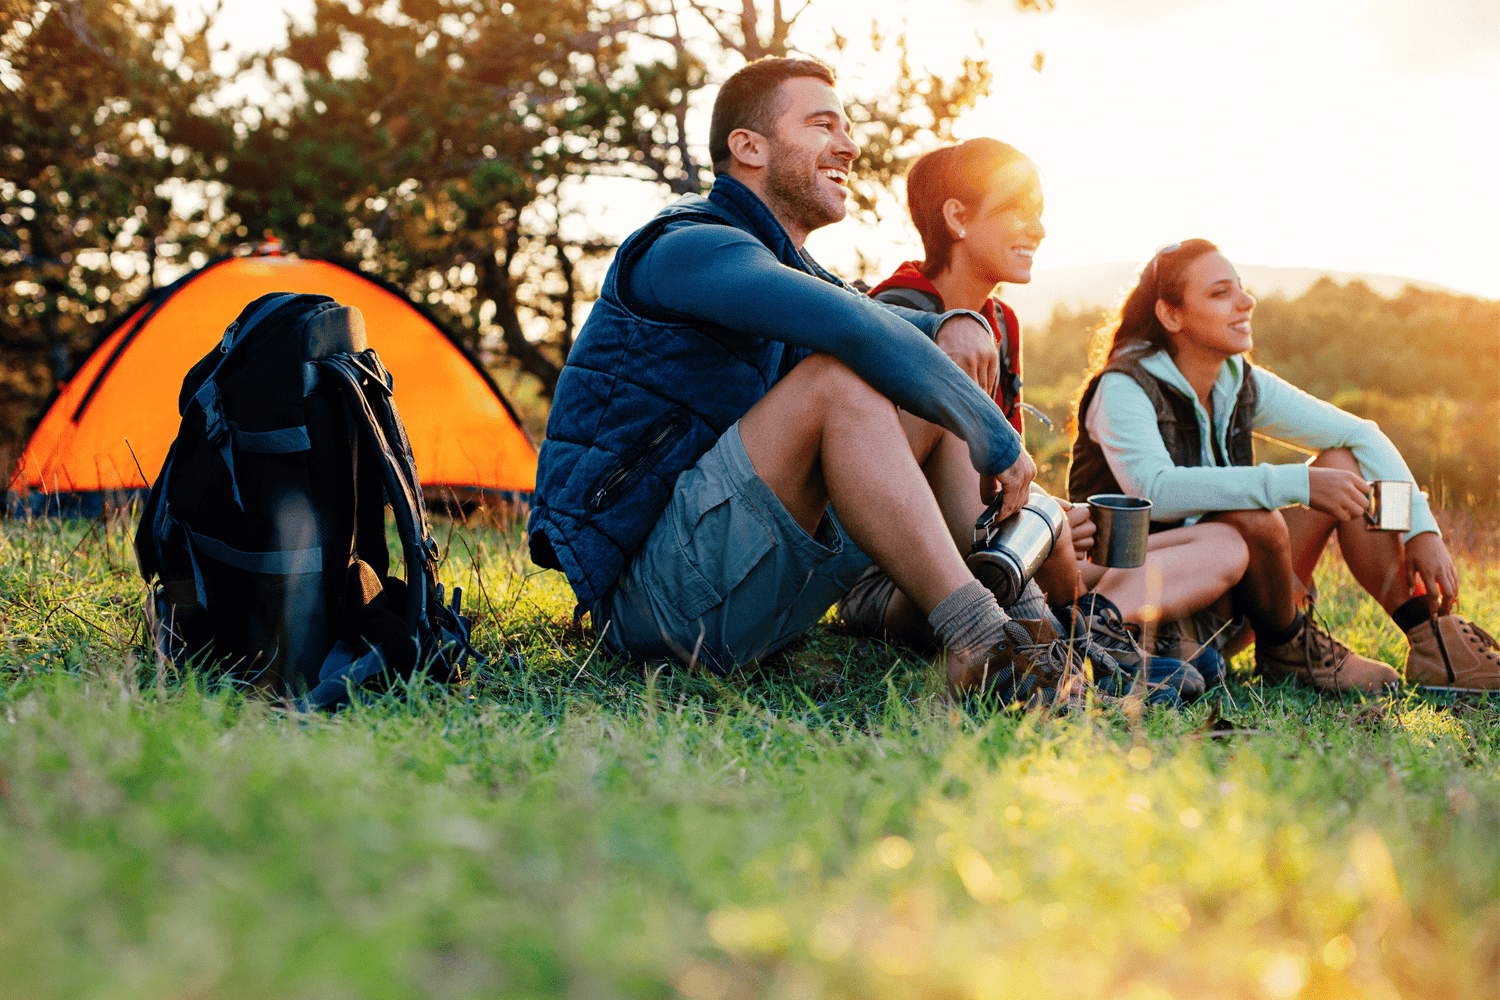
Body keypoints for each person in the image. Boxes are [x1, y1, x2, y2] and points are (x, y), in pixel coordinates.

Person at [527, 57, 1080, 704]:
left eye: (845, 128)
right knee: (840, 380)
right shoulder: (686, 247)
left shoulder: (795, 266)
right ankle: (978, 636)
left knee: (926, 377)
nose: (848, 146)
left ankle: (1037, 635)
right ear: (749, 147)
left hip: (752, 589)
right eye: (822, 125)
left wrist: (952, 326)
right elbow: (852, 325)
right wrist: (996, 435)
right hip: (651, 604)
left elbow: (876, 323)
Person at [835, 138, 1246, 701]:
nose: (1040, 229)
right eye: (1018, 209)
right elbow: (893, 479)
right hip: (902, 579)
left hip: (994, 544)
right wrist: (1037, 520)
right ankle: (1081, 649)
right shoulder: (897, 312)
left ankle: (1098, 627)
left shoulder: (1001, 322)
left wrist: (1052, 516)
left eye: (1041, 212)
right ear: (957, 218)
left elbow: (998, 476)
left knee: (1223, 544)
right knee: (957, 410)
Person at [1069, 238, 1499, 693]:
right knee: (1252, 517)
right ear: (1171, 316)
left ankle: (1431, 638)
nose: (1246, 301)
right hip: (1148, 593)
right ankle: (1289, 645)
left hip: (1235, 596)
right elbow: (1154, 489)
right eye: (1220, 293)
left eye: (1240, 287)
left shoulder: (1238, 381)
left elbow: (1362, 435)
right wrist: (1297, 482)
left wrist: (1420, 530)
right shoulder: (1123, 388)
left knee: (1346, 463)